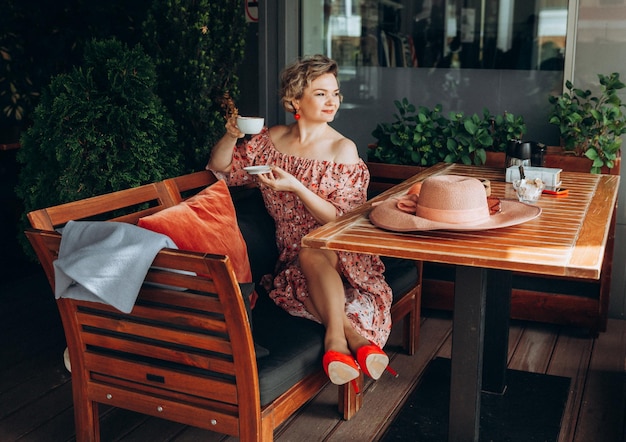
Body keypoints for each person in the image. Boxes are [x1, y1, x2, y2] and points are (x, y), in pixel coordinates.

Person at [206, 54, 394, 390]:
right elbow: (222, 171)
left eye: (335, 93)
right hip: (291, 255)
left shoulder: (343, 150)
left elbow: (343, 219)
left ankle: (334, 343)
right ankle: (352, 338)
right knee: (302, 269)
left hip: (340, 250)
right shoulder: (271, 141)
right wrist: (232, 135)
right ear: (295, 99)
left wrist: (296, 186)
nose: (332, 101)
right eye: (321, 94)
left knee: (312, 252)